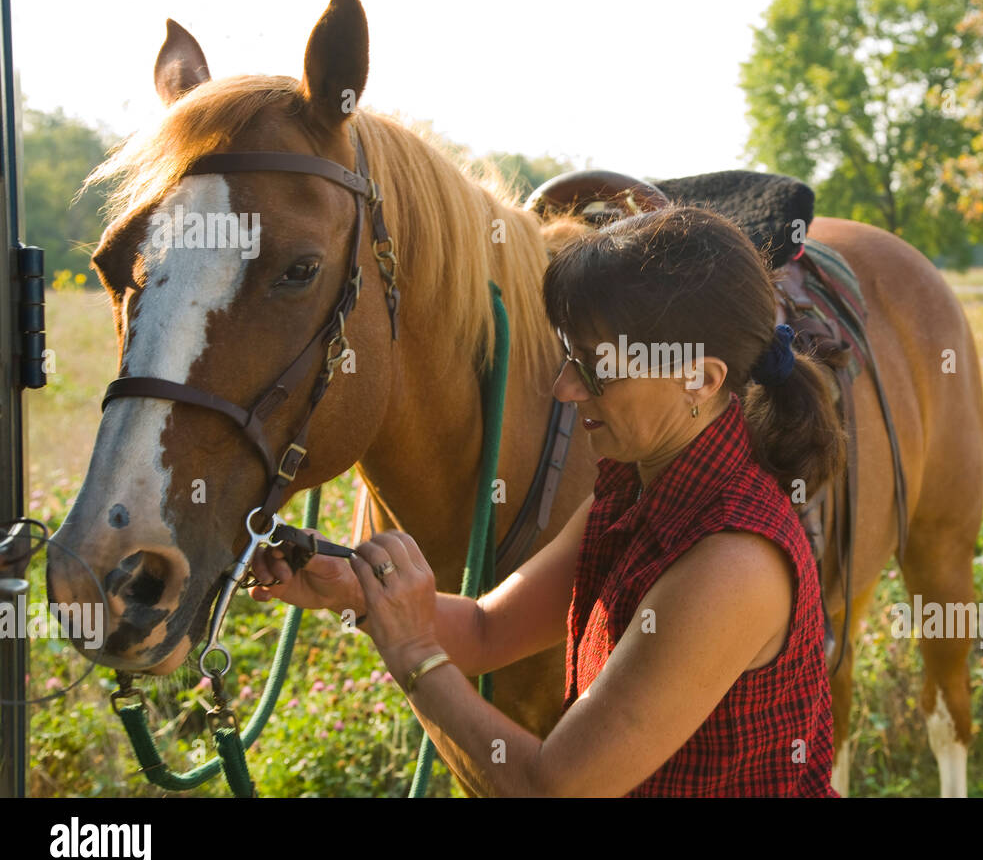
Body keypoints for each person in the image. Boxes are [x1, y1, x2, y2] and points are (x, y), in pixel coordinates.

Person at [249, 204, 847, 797]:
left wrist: (411, 651)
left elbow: (553, 788)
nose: (564, 388)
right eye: (568, 356)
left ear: (702, 380)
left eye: (594, 367)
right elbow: (487, 631)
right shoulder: (632, 486)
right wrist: (359, 593)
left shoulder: (732, 565)